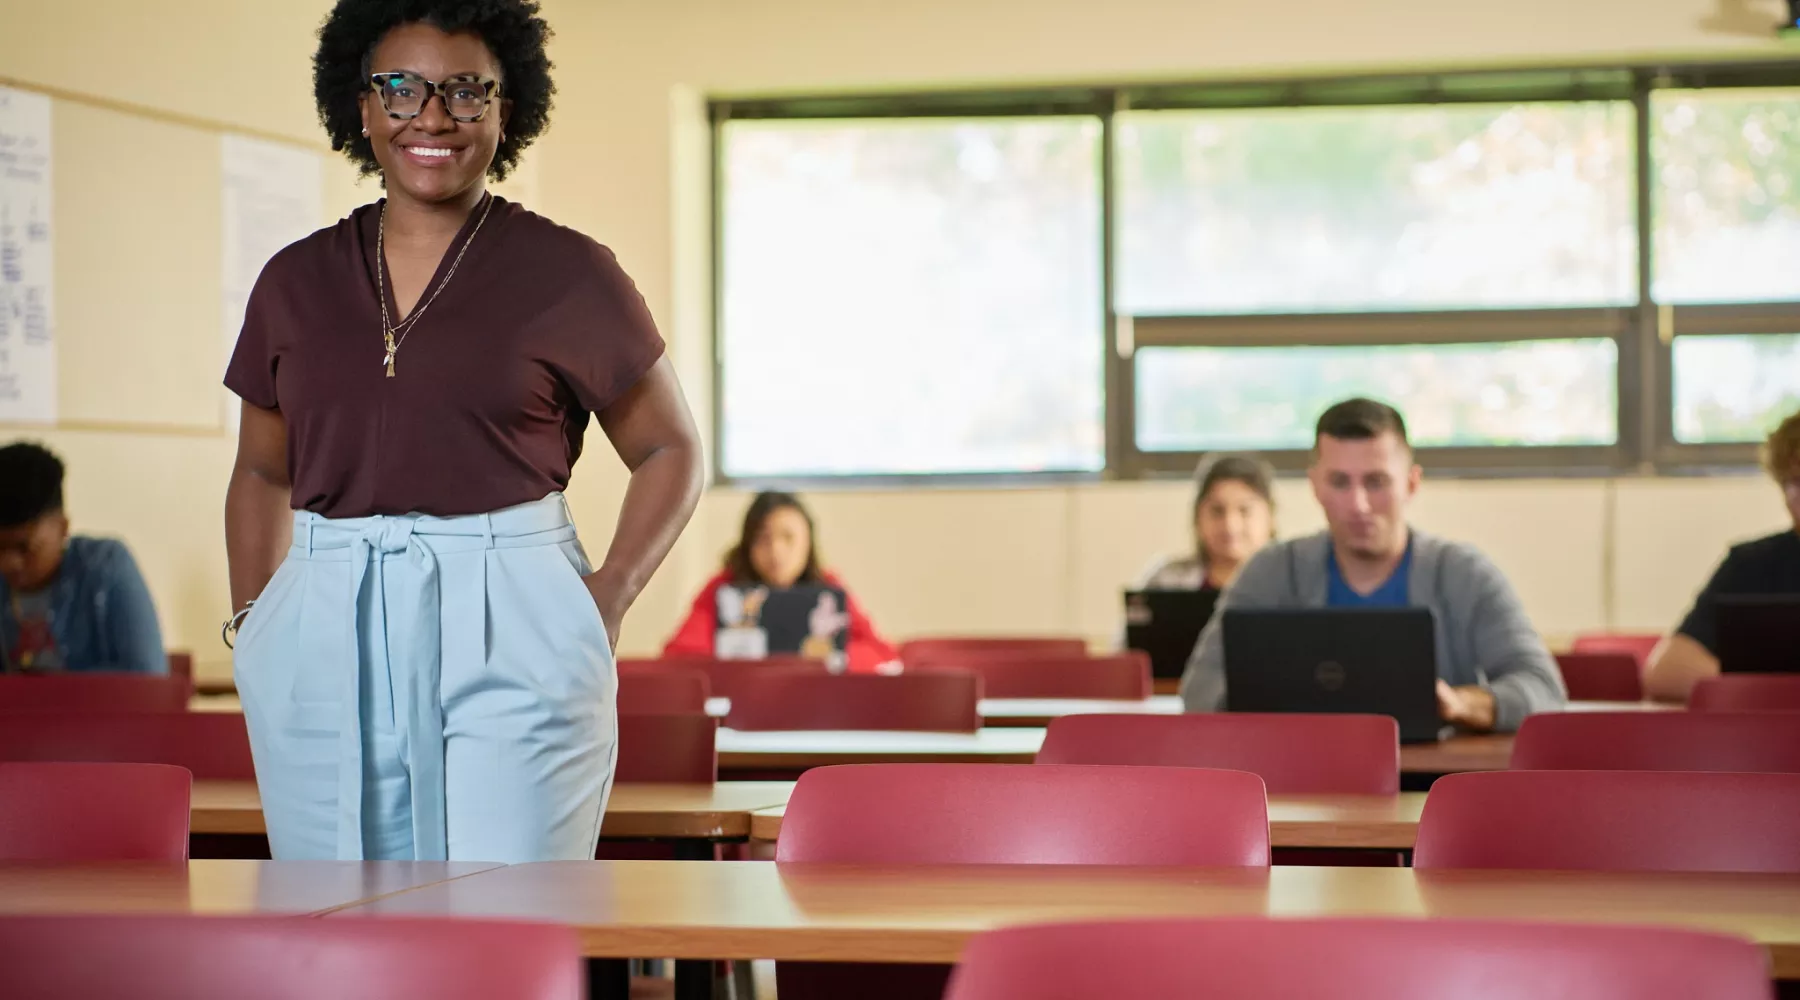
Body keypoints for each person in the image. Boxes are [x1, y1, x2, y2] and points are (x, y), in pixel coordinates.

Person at [222, 0, 703, 864]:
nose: (432, 117)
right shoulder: (292, 280)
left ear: (506, 109)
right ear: (361, 106)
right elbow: (262, 471)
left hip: (515, 608)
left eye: (465, 91)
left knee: (506, 916)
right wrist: (256, 621)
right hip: (323, 613)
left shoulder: (570, 273)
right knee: (335, 927)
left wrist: (606, 599)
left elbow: (671, 449)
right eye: (400, 89)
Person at [1179, 398, 1565, 732]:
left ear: (1411, 483)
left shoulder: (1464, 573)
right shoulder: (1272, 571)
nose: (1359, 504)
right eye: (1340, 482)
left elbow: (1542, 687)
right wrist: (1282, 701)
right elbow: (1200, 687)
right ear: (1316, 486)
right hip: (1295, 786)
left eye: (1377, 482)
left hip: (1433, 785)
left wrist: (1463, 704)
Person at [1644, 408, 1800, 702]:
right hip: (1766, 738)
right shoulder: (1751, 565)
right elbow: (1666, 671)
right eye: (1792, 482)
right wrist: (1764, 691)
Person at [665, 491, 899, 673]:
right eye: (763, 538)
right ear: (748, 545)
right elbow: (678, 658)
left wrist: (827, 659)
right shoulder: (723, 588)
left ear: (808, 542)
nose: (776, 551)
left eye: (788, 538)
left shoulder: (827, 588)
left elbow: (882, 653)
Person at [0, 442, 165, 674]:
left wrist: (48, 690)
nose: (8, 563)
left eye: (25, 548)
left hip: (102, 711)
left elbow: (148, 676)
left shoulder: (107, 568)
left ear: (62, 527)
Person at [1137, 453, 1277, 591]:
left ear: (1270, 516)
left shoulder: (1293, 586)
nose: (1230, 525)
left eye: (1244, 510)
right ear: (1198, 516)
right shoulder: (1165, 583)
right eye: (1217, 511)